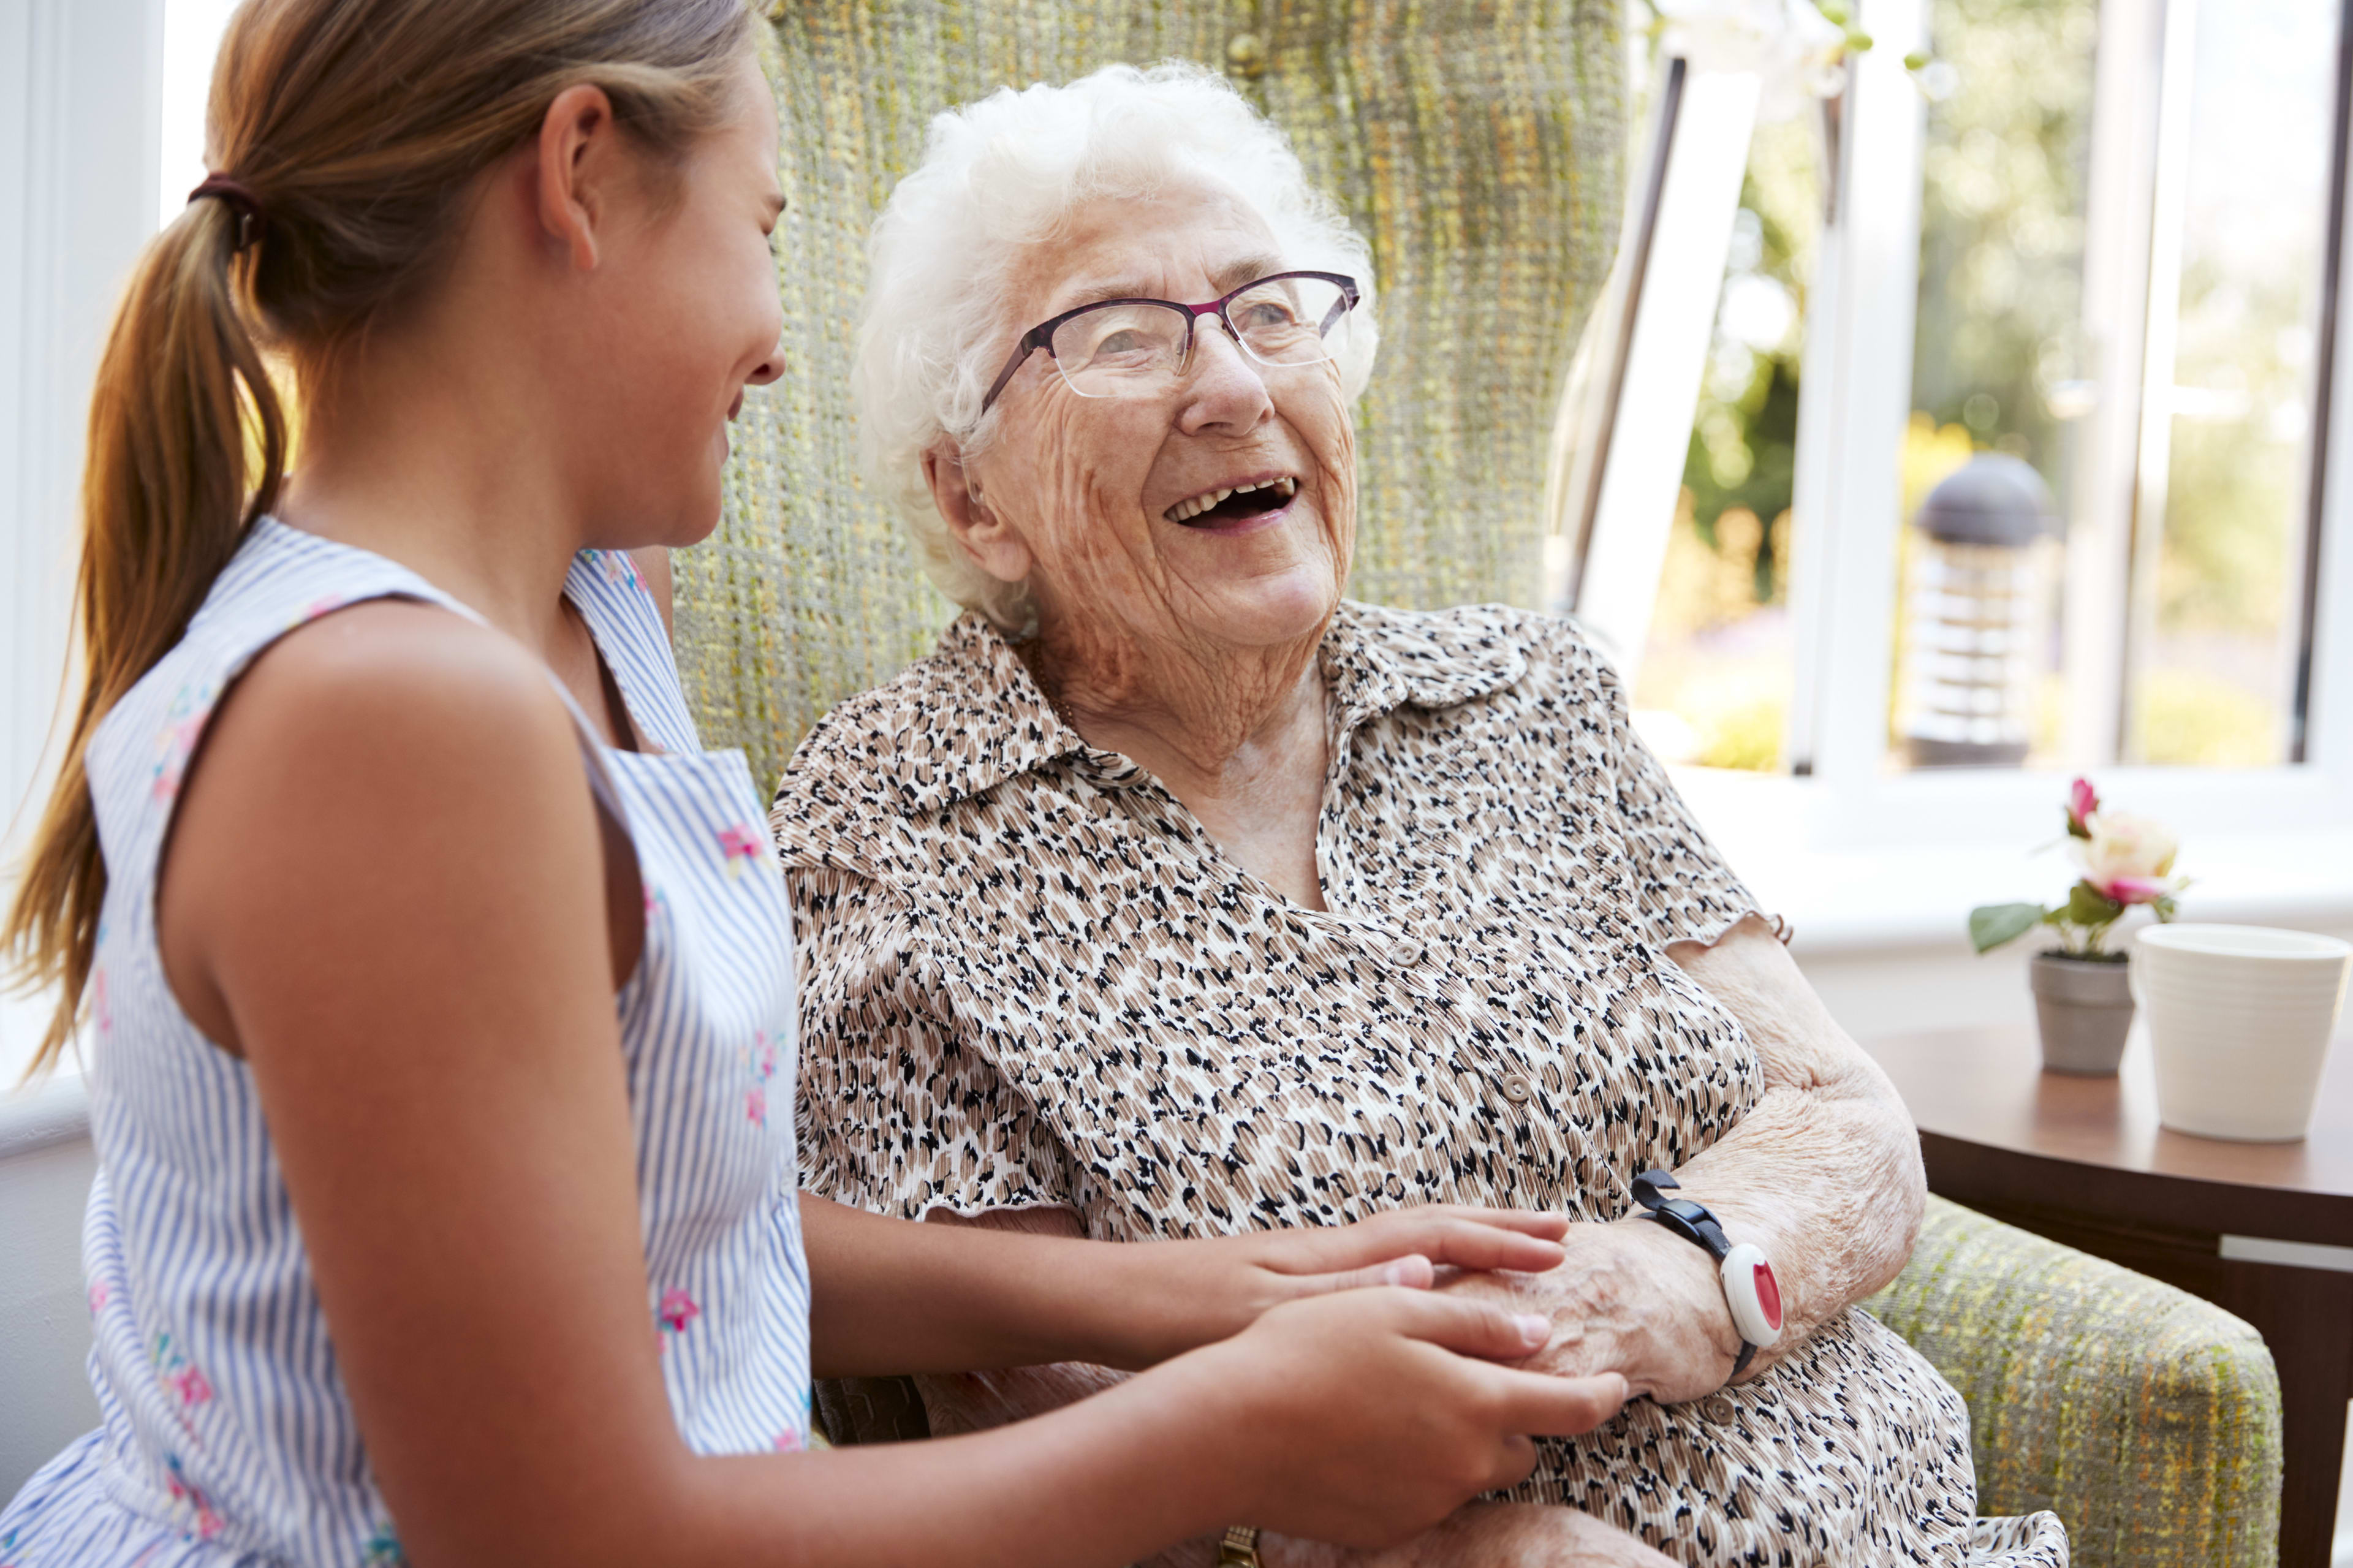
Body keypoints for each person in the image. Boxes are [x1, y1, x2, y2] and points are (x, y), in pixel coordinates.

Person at [0, 7, 1632, 1565]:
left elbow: (674, 1247)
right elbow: (563, 1543)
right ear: (578, 174)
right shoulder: (394, 723)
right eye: (765, 231)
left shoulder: (589, 596)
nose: (778, 345)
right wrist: (1232, 1435)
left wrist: (1203, 1293)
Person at [777, 63, 2070, 1568]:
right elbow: (1033, 1409)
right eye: (1122, 337)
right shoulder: (898, 824)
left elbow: (1847, 1123)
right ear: (971, 496)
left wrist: (1690, 1275)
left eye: (1271, 313)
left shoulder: (1525, 693)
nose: (1237, 387)